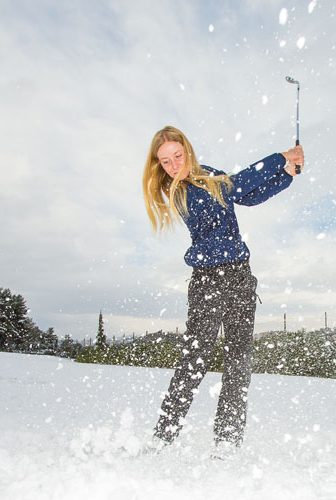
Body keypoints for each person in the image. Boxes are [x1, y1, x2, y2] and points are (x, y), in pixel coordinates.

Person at [142, 125, 304, 450]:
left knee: (239, 360)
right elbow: (238, 184)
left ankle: (228, 441)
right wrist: (280, 158)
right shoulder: (180, 189)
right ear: (159, 166)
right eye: (165, 161)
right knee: (195, 358)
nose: (174, 165)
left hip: (241, 278)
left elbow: (248, 195)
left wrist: (286, 174)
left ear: (187, 149)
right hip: (208, 281)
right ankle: (162, 438)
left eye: (177, 155)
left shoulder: (209, 175)